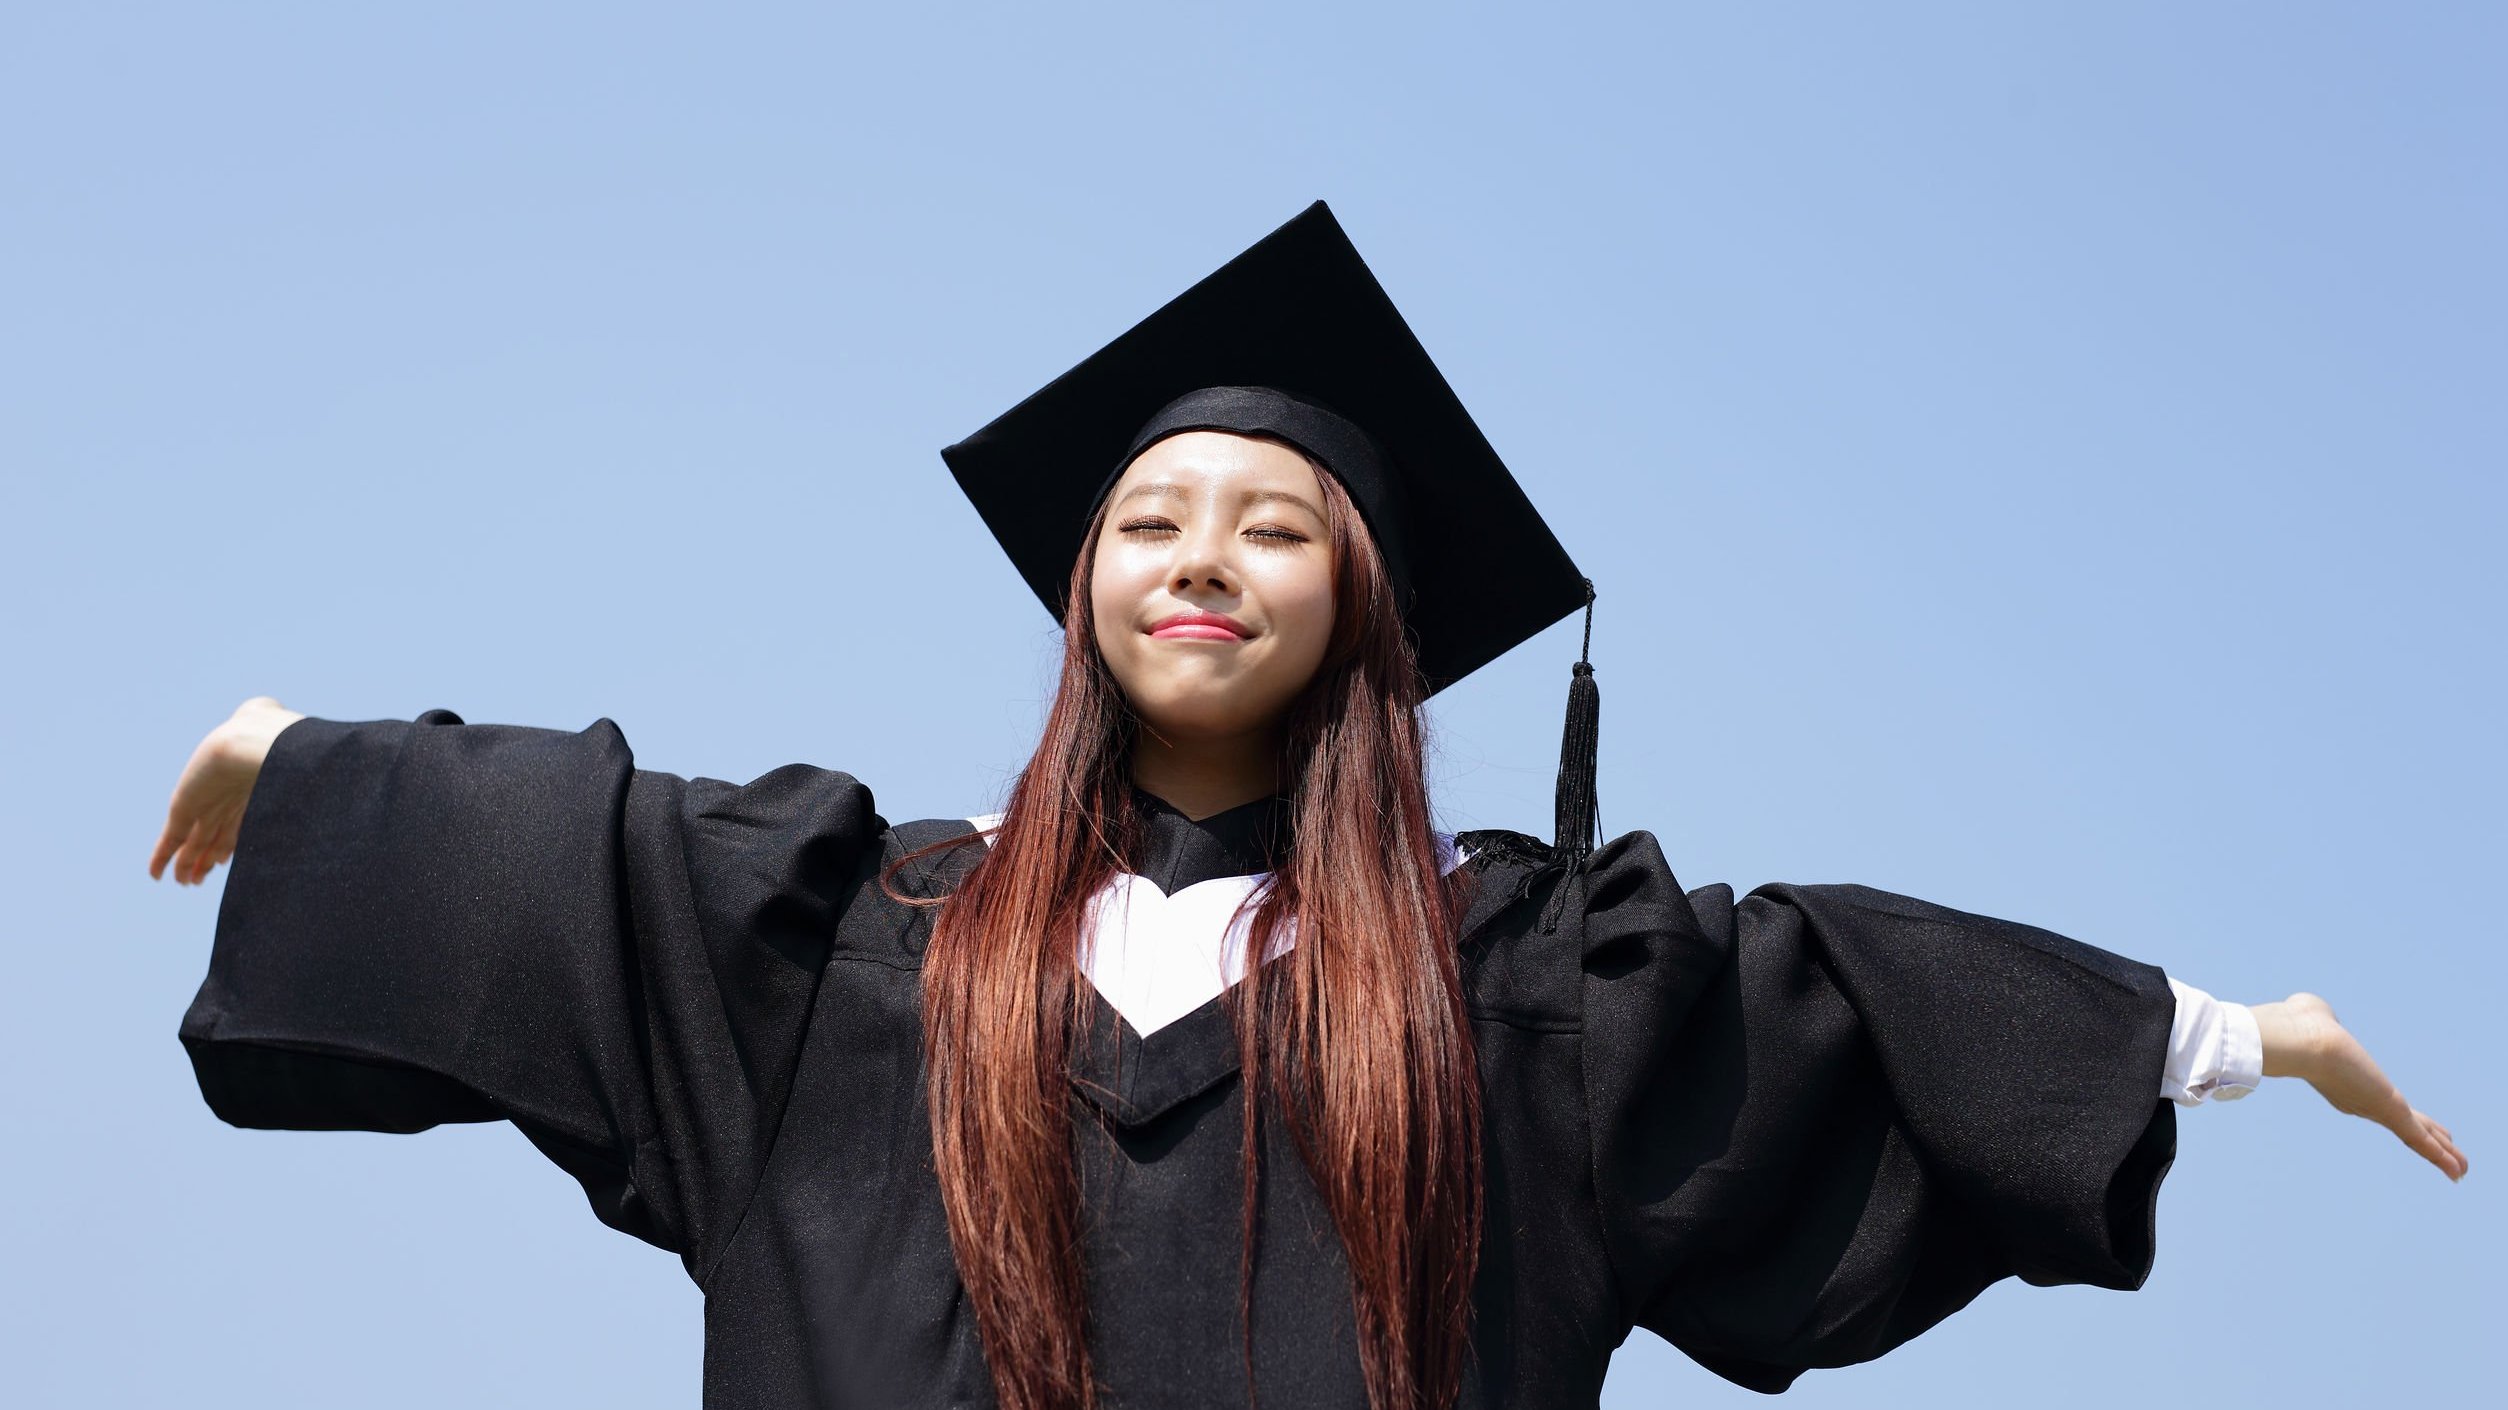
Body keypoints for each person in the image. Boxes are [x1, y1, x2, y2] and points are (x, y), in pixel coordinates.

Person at [152, 203, 2464, 1410]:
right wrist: (307, 763)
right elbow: (583, 849)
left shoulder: (1514, 991)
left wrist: (2235, 1032)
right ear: (1086, 589)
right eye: (1155, 520)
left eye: (1274, 522)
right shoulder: (861, 954)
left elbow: (1863, 993)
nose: (1201, 560)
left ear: (1361, 600)